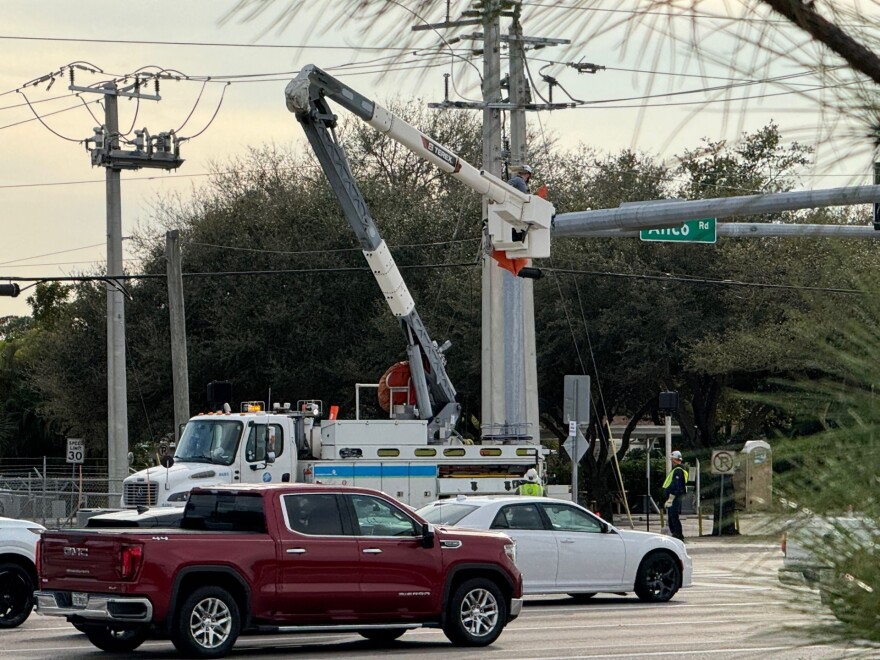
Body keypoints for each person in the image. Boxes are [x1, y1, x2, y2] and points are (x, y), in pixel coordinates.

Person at [662, 450, 689, 541]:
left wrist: (671, 497)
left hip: (674, 497)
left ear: (674, 459)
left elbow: (676, 485)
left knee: (673, 517)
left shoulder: (678, 470)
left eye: (672, 459)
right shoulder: (679, 470)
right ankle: (676, 534)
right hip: (674, 497)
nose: (671, 461)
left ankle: (678, 535)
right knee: (672, 516)